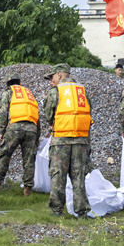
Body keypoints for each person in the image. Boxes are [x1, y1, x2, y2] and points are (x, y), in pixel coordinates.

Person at [42, 63, 92, 218]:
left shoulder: (55, 91)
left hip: (61, 141)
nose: (52, 80)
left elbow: (48, 115)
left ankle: (57, 211)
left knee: (58, 176)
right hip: (81, 141)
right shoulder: (82, 91)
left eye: (52, 77)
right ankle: (82, 212)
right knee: (78, 176)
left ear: (59, 75)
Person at [0, 72, 40, 196]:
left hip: (15, 127)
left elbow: (3, 113)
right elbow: (36, 114)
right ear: (20, 83)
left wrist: (2, 131)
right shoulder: (29, 94)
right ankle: (27, 191)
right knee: (29, 160)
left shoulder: (8, 92)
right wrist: (37, 136)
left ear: (7, 85)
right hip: (32, 129)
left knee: (4, 155)